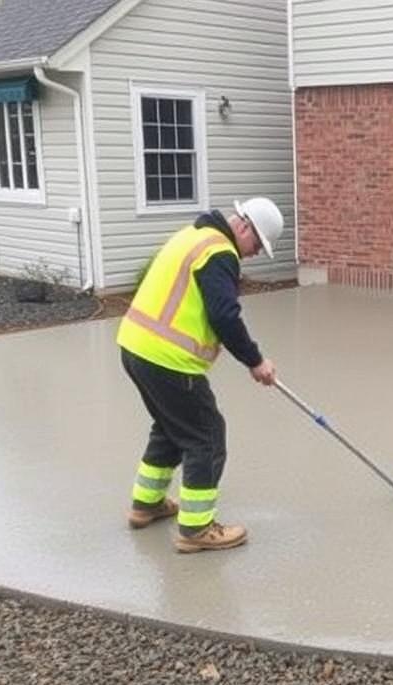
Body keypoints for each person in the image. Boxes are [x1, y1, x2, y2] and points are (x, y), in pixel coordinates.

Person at [116, 197, 284, 553]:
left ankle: (146, 504)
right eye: (257, 244)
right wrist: (255, 361)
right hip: (168, 358)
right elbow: (224, 315)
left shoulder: (193, 236)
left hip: (135, 346)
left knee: (170, 427)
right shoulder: (219, 252)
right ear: (244, 226)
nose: (255, 253)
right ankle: (196, 529)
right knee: (206, 435)